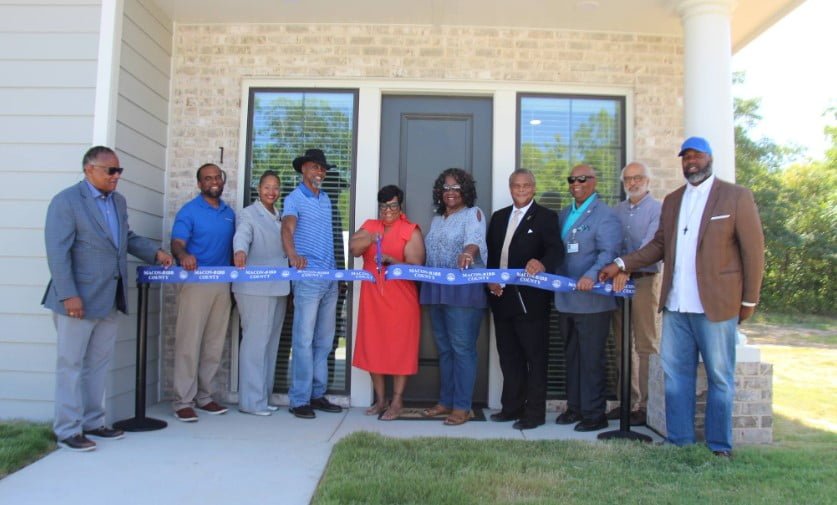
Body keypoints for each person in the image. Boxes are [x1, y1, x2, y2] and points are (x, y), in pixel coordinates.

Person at [600, 137, 765, 457]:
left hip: (716, 306)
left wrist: (749, 300)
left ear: (710, 158)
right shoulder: (674, 201)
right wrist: (621, 263)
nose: (691, 161)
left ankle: (719, 445)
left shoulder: (735, 197)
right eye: (686, 156)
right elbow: (658, 246)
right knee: (676, 377)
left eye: (697, 155)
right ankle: (679, 440)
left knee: (720, 377)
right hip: (676, 306)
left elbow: (753, 251)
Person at [43, 146, 173, 451]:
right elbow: (58, 253)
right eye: (110, 171)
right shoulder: (66, 202)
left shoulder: (118, 202)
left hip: (109, 298)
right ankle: (67, 430)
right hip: (77, 300)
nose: (116, 176)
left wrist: (154, 253)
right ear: (89, 170)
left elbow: (125, 238)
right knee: (70, 365)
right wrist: (69, 294)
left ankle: (93, 422)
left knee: (98, 365)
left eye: (119, 171)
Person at [486, 169, 562, 430]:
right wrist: (491, 280)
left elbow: (555, 250)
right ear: (510, 187)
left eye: (526, 185)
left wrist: (541, 262)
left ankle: (534, 414)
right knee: (508, 357)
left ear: (534, 187)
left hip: (531, 300)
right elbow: (491, 255)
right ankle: (511, 408)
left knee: (535, 357)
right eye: (516, 185)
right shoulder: (498, 218)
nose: (521, 189)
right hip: (501, 297)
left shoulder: (546, 217)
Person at [553, 164, 622, 432]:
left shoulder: (606, 215)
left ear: (594, 181)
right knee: (572, 357)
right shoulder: (565, 214)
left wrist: (592, 275)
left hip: (593, 301)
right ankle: (575, 408)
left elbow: (609, 253)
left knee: (592, 360)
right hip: (566, 299)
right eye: (572, 179)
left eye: (582, 179)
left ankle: (595, 414)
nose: (576, 183)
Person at [350, 185, 425, 420]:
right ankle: (381, 400)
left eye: (392, 205)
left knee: (399, 349)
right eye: (383, 206)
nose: (387, 211)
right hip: (373, 299)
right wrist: (370, 238)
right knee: (374, 346)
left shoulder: (409, 230)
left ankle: (397, 401)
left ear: (400, 206)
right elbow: (353, 249)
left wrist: (393, 260)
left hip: (401, 301)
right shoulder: (370, 225)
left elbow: (416, 269)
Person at [420, 168, 488, 426]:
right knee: (445, 350)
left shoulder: (474, 214)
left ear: (466, 191)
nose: (450, 192)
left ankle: (462, 406)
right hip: (436, 289)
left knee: (462, 349)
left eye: (456, 188)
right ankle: (446, 401)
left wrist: (467, 254)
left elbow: (474, 241)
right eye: (446, 188)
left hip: (463, 290)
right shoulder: (437, 219)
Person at [170, 163, 235, 422]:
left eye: (217, 177)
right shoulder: (189, 211)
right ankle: (182, 400)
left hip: (222, 283)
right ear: (199, 184)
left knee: (214, 344)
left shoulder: (229, 213)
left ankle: (205, 397)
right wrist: (184, 255)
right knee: (189, 342)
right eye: (208, 179)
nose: (214, 181)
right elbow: (177, 242)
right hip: (196, 282)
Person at [282, 149, 343, 419]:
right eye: (315, 167)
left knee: (325, 341)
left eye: (323, 169)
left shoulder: (326, 199)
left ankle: (317, 395)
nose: (320, 172)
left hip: (329, 279)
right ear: (303, 169)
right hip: (308, 279)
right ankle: (299, 400)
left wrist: (338, 274)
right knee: (303, 340)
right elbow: (287, 227)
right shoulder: (294, 198)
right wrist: (293, 255)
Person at [606, 162, 662, 426]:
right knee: (621, 345)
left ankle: (646, 406)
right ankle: (627, 401)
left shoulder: (657, 210)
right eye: (628, 179)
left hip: (643, 280)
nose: (633, 183)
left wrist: (625, 267)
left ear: (648, 180)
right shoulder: (617, 211)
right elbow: (612, 243)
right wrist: (618, 270)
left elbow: (650, 245)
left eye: (638, 177)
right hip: (618, 283)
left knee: (645, 346)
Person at [232, 171, 290, 416]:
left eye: (276, 187)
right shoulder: (248, 214)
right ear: (259, 188)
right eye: (267, 187)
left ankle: (262, 397)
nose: (271, 192)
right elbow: (243, 234)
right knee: (256, 344)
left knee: (270, 345)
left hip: (278, 288)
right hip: (255, 289)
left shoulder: (279, 216)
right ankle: (250, 402)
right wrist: (240, 251)